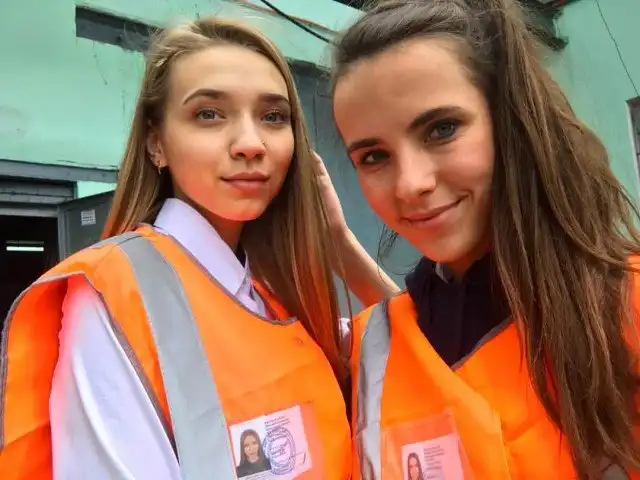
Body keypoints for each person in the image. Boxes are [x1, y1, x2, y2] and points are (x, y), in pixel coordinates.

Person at [0, 16, 398, 480]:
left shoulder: (273, 299)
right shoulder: (118, 294)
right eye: (209, 114)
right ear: (156, 143)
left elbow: (419, 351)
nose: (250, 144)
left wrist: (340, 244)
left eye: (273, 117)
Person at [331, 0, 640, 479]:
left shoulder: (624, 303)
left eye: (442, 129)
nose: (411, 183)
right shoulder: (372, 352)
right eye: (373, 156)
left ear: (508, 120)